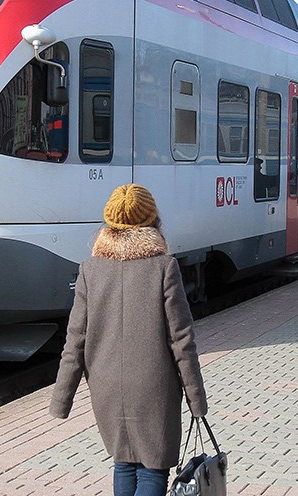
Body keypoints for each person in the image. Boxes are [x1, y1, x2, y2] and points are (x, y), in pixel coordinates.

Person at [49, 184, 208, 496]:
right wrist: (196, 399)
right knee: (153, 467)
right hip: (154, 386)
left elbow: (75, 340)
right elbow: (181, 340)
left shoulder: (89, 269)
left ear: (109, 223)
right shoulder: (164, 267)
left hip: (106, 385)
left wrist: (61, 400)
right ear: (152, 221)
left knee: (123, 461)